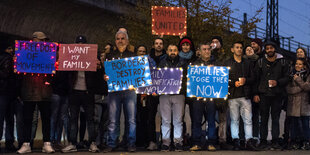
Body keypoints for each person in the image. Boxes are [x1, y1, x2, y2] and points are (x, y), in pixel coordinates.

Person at [17, 31, 55, 154]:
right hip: (29, 90)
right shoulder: (24, 53)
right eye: (41, 40)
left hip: (45, 92)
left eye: (44, 40)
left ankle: (47, 143)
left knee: (46, 119)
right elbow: (18, 75)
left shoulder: (49, 54)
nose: (44, 42)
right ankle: (26, 143)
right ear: (33, 40)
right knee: (27, 119)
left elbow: (56, 75)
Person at [61, 35, 100, 153]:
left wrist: (99, 66)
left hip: (87, 93)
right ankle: (72, 143)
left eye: (83, 44)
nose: (81, 46)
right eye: (78, 44)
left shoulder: (93, 58)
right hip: (74, 92)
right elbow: (64, 74)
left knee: (90, 119)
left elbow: (98, 77)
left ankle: (92, 143)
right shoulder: (71, 58)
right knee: (73, 119)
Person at [104, 30, 137, 152]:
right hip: (114, 92)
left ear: (127, 41)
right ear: (115, 41)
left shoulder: (133, 56)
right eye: (118, 39)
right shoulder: (109, 56)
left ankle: (131, 143)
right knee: (113, 119)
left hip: (130, 91)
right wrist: (105, 77)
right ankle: (112, 143)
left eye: (123, 38)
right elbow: (106, 74)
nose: (120, 41)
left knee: (131, 119)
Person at [253, 41, 289, 150]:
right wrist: (255, 93)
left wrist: (277, 82)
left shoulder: (282, 61)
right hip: (263, 94)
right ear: (265, 50)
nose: (269, 50)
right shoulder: (260, 62)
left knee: (275, 119)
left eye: (271, 48)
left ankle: (275, 141)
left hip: (277, 94)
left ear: (275, 49)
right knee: (263, 119)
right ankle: (263, 141)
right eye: (267, 48)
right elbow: (256, 79)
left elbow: (287, 77)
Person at [225, 41, 257, 151]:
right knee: (234, 120)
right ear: (232, 49)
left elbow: (253, 78)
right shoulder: (227, 63)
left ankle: (248, 141)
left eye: (240, 47)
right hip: (233, 95)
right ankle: (236, 141)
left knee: (248, 120)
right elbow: (223, 78)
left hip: (245, 95)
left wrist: (246, 80)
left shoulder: (247, 63)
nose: (239, 49)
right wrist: (233, 83)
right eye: (237, 47)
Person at [158, 44, 187, 152]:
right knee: (165, 120)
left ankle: (178, 142)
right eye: (170, 50)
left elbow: (187, 78)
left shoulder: (184, 62)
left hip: (179, 94)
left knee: (178, 120)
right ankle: (166, 143)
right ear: (167, 51)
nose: (173, 52)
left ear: (178, 52)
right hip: (165, 95)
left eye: (175, 50)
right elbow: (158, 77)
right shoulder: (162, 62)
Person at [189, 43, 217, 151]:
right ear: (199, 52)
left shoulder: (216, 64)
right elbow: (191, 81)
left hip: (211, 97)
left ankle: (211, 142)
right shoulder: (194, 64)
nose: (207, 51)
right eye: (204, 49)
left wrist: (214, 70)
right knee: (197, 120)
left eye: (208, 49)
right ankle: (196, 143)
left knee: (211, 120)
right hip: (198, 97)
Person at [211, 36, 232, 150]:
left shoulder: (226, 57)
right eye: (212, 42)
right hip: (209, 91)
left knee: (223, 117)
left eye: (217, 42)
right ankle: (211, 139)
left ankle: (222, 139)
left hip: (221, 90)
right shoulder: (207, 56)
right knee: (210, 117)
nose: (214, 44)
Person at [0, 42, 21, 152]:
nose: (11, 50)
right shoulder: (8, 59)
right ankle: (9, 142)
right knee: (8, 119)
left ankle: (9, 141)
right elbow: (7, 74)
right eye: (9, 48)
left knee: (6, 118)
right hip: (7, 92)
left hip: (6, 92)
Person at [286, 58, 310, 150]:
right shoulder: (291, 75)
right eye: (296, 64)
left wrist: (298, 80)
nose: (297, 65)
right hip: (293, 104)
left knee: (305, 125)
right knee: (294, 125)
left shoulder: (307, 75)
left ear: (304, 66)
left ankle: (306, 141)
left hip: (304, 104)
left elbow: (308, 87)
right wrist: (300, 89)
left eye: (300, 64)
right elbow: (288, 89)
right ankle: (294, 142)